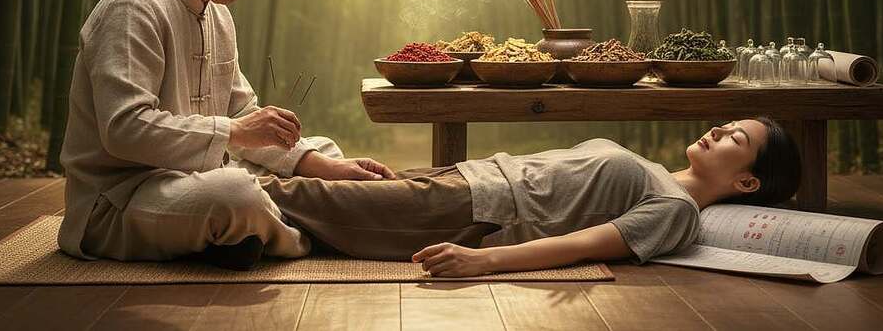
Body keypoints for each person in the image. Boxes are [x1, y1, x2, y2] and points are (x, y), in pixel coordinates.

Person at [58, 0, 395, 271]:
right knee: (236, 195)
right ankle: (302, 234)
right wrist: (234, 132)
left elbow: (244, 115)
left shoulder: (218, 14)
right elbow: (125, 129)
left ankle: (252, 230)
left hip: (196, 180)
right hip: (120, 201)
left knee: (326, 152)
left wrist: (325, 167)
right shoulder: (135, 6)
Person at [262, 117, 801, 277]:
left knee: (298, 197)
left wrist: (483, 260)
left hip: (480, 211)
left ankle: (190, 192)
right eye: (727, 123)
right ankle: (221, 208)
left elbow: (590, 243)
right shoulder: (660, 174)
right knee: (331, 194)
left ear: (748, 182)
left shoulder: (677, 210)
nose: (717, 130)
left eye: (736, 138)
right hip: (475, 179)